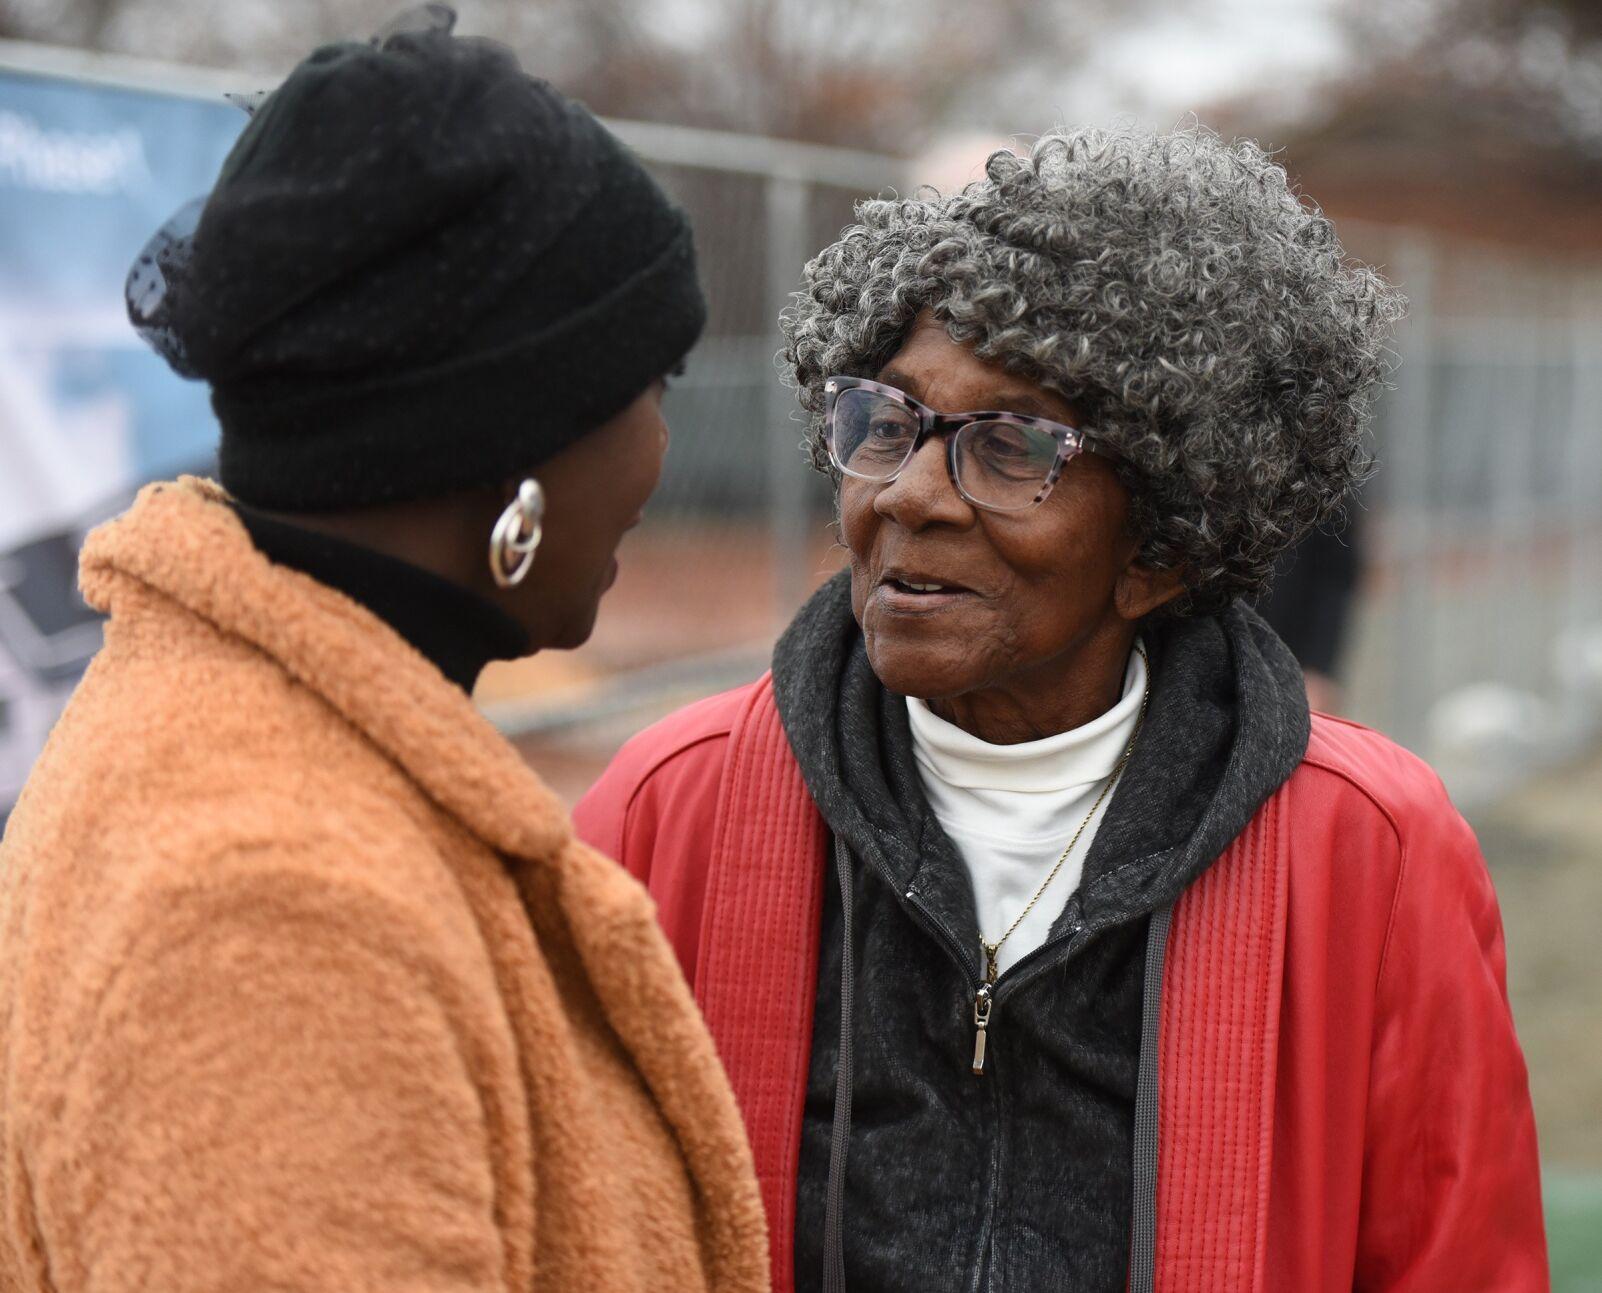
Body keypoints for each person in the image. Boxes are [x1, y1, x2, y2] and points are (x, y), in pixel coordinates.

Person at [574, 125, 1548, 1292]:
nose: (910, 494)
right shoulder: (667, 809)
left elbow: (1454, 1261)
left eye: (1011, 446)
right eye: (883, 422)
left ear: (1165, 546)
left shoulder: (1369, 852)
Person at [0, 18, 768, 1293]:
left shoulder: (225, 725)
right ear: (518, 431)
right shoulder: (273, 910)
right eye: (654, 380)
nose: (657, 454)